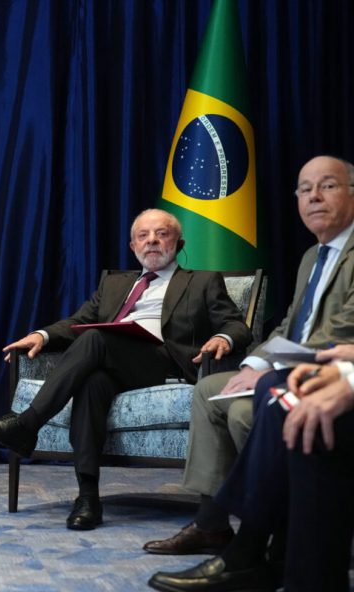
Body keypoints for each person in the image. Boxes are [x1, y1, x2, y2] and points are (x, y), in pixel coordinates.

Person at [0, 208, 252, 530]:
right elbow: (78, 320)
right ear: (133, 246)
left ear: (179, 243)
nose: (152, 241)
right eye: (143, 236)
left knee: (93, 338)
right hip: (115, 362)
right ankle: (88, 497)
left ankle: (26, 424)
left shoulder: (201, 281)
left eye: (162, 234)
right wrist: (42, 335)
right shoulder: (115, 284)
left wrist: (223, 337)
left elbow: (236, 325)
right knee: (92, 382)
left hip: (165, 364)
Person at [143, 155, 354, 556]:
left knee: (243, 412)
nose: (314, 196)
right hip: (293, 368)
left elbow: (341, 333)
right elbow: (290, 324)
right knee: (209, 390)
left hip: (334, 373)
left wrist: (276, 366)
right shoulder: (313, 257)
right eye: (304, 189)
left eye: (327, 186)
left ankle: (276, 529)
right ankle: (212, 524)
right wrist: (254, 364)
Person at [147, 351, 354, 592]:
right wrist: (257, 366)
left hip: (323, 369)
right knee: (216, 389)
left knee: (270, 402)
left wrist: (346, 378)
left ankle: (252, 551)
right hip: (307, 366)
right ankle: (213, 526)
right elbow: (289, 333)